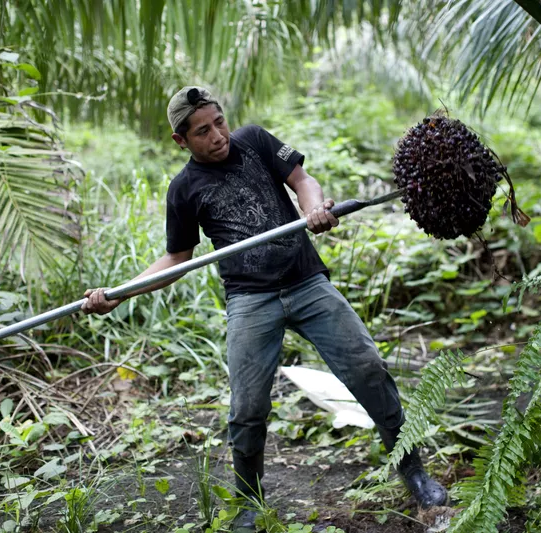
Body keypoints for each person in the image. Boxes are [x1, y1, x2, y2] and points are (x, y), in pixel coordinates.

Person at [82, 86, 447, 531]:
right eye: (203, 131)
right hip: (250, 300)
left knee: (368, 368)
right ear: (181, 141)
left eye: (219, 121)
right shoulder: (184, 189)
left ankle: (413, 470)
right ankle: (250, 501)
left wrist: (314, 209)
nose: (217, 135)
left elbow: (302, 181)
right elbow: (177, 259)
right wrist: (119, 292)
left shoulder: (254, 140)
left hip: (307, 283)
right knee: (247, 407)